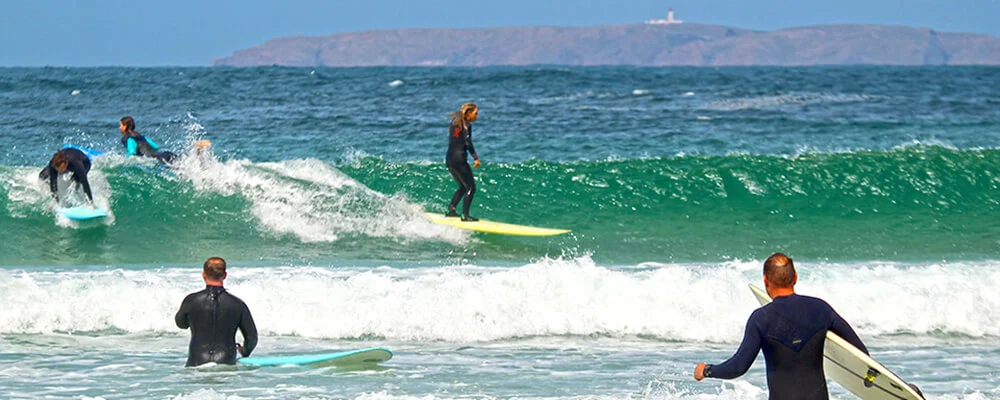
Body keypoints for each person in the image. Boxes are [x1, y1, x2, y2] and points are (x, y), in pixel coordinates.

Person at [693, 252, 868, 400]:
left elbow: (738, 367)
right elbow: (860, 352)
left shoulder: (761, 318)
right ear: (795, 278)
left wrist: (707, 370)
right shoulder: (820, 309)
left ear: (765, 280)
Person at [175, 257, 258, 367]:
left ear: (203, 275)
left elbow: (181, 324)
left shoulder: (191, 301)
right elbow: (252, 338)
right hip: (225, 362)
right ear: (224, 275)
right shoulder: (238, 304)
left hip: (197, 362)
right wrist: (245, 352)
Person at [445, 103, 482, 221]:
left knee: (462, 186)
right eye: (475, 113)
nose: (477, 116)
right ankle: (465, 215)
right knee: (471, 187)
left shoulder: (454, 123)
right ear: (468, 113)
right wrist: (475, 157)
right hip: (460, 159)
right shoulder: (466, 125)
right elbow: (467, 142)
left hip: (449, 159)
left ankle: (451, 209)